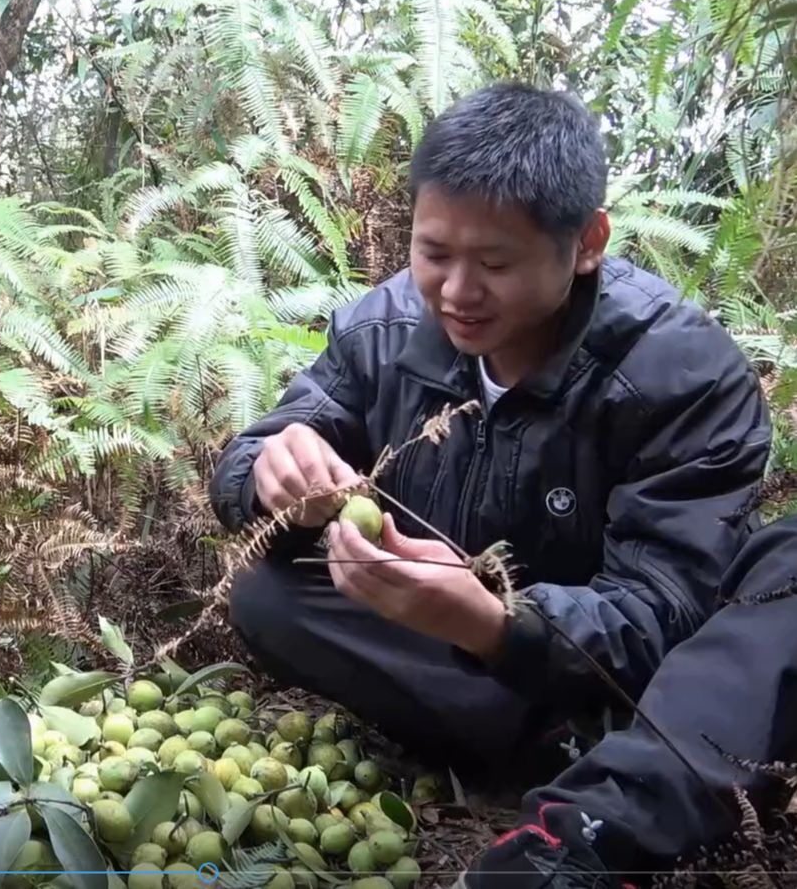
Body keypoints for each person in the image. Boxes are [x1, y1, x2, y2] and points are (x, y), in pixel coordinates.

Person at [209, 81, 772, 784]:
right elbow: (262, 449)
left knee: (669, 700)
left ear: (587, 243)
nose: (456, 292)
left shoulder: (683, 378)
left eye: (496, 264)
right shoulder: (381, 330)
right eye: (434, 253)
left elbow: (668, 611)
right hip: (434, 642)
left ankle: (563, 750)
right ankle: (538, 752)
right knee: (267, 596)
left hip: (565, 669)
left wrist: (493, 622)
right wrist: (268, 475)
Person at [454, 512, 797, 887]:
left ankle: (604, 831)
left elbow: (668, 608)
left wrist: (501, 625)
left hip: (610, 666)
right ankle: (597, 829)